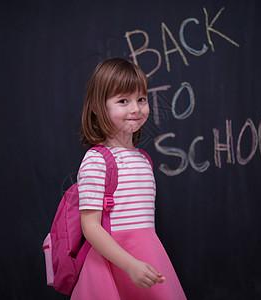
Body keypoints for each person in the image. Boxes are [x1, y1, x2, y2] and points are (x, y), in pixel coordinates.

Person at [71, 58, 186, 299]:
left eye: (141, 99)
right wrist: (130, 264)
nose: (136, 109)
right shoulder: (96, 160)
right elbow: (90, 226)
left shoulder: (143, 159)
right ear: (96, 107)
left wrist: (139, 263)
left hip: (147, 258)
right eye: (123, 101)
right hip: (114, 264)